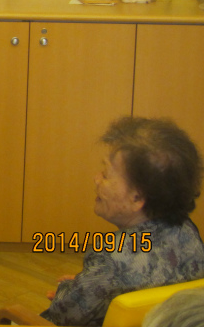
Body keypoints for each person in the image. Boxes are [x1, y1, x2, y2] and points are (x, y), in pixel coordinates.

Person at [39, 117, 204, 326]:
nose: (96, 179)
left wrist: (68, 291)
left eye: (106, 174)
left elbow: (64, 315)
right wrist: (92, 283)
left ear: (137, 198)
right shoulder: (188, 231)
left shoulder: (110, 257)